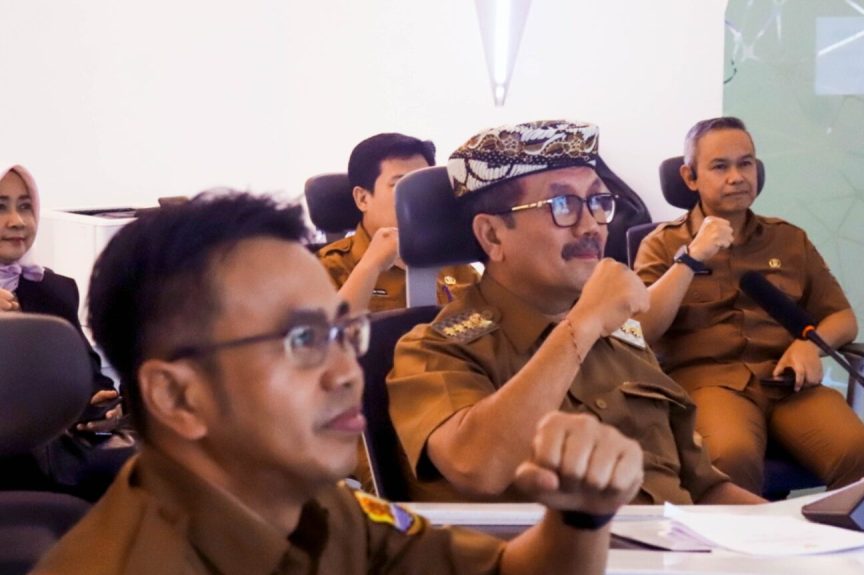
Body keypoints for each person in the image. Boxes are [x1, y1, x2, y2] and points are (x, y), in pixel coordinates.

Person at [33, 192, 645, 574]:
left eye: (343, 333)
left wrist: (580, 517)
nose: (347, 371)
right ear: (177, 396)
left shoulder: (319, 508)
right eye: (302, 341)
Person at [387, 120, 764, 505]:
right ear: (492, 235)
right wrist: (582, 325)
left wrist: (788, 531)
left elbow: (704, 487)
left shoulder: (621, 338)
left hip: (681, 541)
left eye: (598, 202)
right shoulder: (435, 350)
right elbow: (478, 466)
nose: (591, 227)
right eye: (562, 205)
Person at [632, 117, 864, 494]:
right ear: (690, 177)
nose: (736, 177)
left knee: (863, 456)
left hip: (786, 383)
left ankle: (837, 535)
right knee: (729, 458)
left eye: (746, 163)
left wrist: (809, 345)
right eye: (720, 166)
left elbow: (842, 317)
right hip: (709, 385)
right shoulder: (662, 244)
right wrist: (691, 258)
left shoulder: (789, 240)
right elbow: (639, 330)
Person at [0, 163, 130, 500]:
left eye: (25, 206)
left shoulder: (53, 289)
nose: (17, 221)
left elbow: (87, 376)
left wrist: (99, 407)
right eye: (0, 207)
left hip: (50, 460)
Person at [318, 133, 478, 313]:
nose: (418, 196)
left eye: (422, 185)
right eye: (401, 185)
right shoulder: (328, 268)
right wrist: (370, 266)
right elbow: (326, 329)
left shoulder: (453, 262)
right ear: (362, 199)